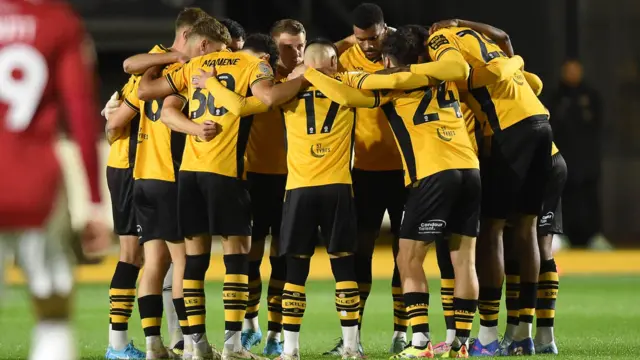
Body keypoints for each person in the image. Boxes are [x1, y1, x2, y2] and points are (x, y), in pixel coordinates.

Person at [138, 32, 306, 360]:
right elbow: (266, 98)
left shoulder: (196, 65)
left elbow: (151, 96)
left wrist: (194, 125)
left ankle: (195, 345)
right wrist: (301, 80)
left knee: (194, 263)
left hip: (189, 173)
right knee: (237, 260)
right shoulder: (252, 64)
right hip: (227, 174)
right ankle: (233, 347)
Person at [411, 23, 552, 356]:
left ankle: (488, 338)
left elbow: (459, 72)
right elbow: (505, 39)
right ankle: (523, 334)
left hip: (508, 129)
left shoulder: (440, 45)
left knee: (491, 230)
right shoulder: (476, 38)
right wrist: (510, 59)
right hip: (541, 123)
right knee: (527, 228)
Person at [106, 17, 231, 360]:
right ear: (198, 40)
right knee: (184, 262)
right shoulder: (183, 70)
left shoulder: (149, 68)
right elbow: (144, 114)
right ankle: (192, 344)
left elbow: (116, 122)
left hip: (143, 176)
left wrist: (109, 124)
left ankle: (151, 346)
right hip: (169, 176)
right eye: (216, 50)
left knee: (153, 262)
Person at [0, 1, 111, 360]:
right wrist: (94, 201)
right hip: (33, 185)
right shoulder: (59, 23)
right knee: (53, 313)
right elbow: (80, 113)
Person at [329, 3, 408, 355]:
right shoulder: (347, 55)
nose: (367, 46)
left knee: (405, 254)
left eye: (372, 38)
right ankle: (352, 337)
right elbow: (318, 60)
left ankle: (402, 333)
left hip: (409, 169)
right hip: (364, 171)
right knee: (360, 252)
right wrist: (346, 43)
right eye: (361, 39)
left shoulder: (405, 49)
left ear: (384, 29)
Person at [240, 19, 307, 356]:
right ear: (273, 48)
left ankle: (276, 333)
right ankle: (250, 321)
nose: (295, 53)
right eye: (287, 47)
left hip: (293, 180)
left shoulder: (312, 76)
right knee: (251, 256)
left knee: (282, 257)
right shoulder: (259, 77)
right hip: (253, 176)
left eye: (300, 46)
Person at [549, 59, 603, 248]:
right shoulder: (556, 98)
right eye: (568, 71)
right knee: (562, 197)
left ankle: (594, 236)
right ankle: (560, 236)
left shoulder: (591, 96)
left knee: (590, 197)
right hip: (562, 158)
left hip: (587, 159)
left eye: (575, 70)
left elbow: (598, 125)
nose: (572, 74)